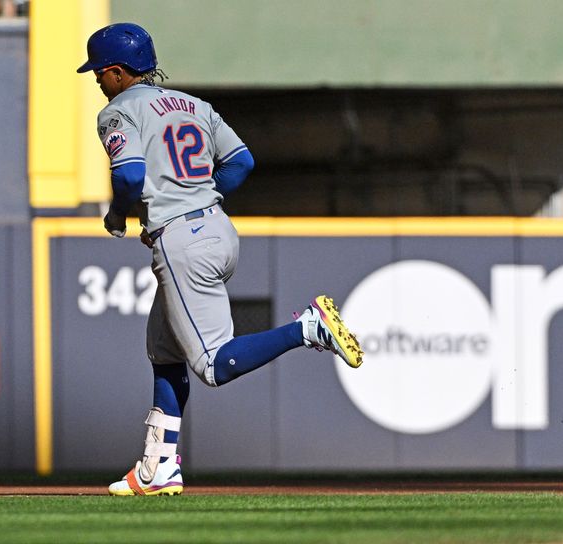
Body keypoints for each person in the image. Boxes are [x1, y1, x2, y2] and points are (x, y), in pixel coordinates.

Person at [77, 22, 363, 496]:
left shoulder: (117, 111)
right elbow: (242, 162)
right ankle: (157, 467)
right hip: (218, 229)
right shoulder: (194, 105)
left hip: (183, 239)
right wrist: (200, 200)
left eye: (100, 75)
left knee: (212, 365)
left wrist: (116, 215)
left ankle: (307, 328)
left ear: (116, 72)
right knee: (165, 352)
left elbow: (128, 177)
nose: (99, 83)